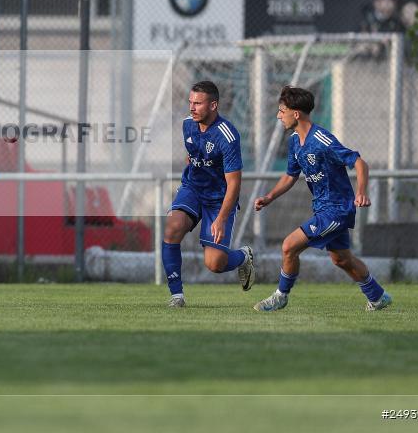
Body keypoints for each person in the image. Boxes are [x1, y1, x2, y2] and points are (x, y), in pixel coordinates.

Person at [252, 86, 392, 312]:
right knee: (342, 259)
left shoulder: (322, 140)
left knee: (289, 246)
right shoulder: (295, 141)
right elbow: (290, 175)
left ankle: (281, 296)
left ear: (295, 113)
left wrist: (362, 191)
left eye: (281, 110)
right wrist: (269, 197)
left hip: (337, 209)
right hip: (322, 208)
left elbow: (359, 162)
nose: (279, 115)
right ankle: (377, 296)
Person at [162, 81, 255, 308]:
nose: (192, 108)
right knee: (173, 227)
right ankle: (177, 296)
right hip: (193, 188)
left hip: (219, 198)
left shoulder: (228, 135)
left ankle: (243, 257)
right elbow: (193, 153)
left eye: (198, 103)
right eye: (190, 102)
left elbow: (234, 184)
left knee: (214, 264)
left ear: (213, 105)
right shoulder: (188, 124)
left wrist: (222, 219)